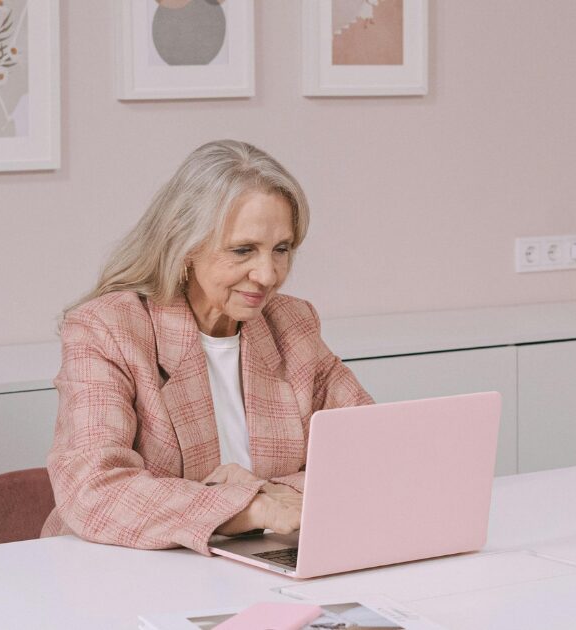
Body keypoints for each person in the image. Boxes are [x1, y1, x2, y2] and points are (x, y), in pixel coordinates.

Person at [40, 140, 374, 555]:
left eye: (281, 250)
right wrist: (255, 510)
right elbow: (94, 489)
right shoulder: (108, 328)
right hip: (122, 570)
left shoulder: (292, 323)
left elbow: (370, 454)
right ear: (186, 245)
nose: (268, 275)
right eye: (243, 250)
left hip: (266, 563)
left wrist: (252, 492)